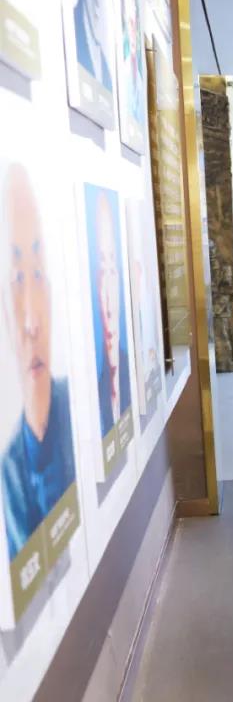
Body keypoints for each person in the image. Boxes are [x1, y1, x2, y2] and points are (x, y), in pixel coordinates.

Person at [1, 164, 78, 560]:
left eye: (37, 273)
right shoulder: (9, 474)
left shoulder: (80, 407)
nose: (32, 321)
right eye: (16, 280)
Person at [89, 187, 131, 439]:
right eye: (100, 270)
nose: (106, 297)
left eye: (112, 267)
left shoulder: (130, 370)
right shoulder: (92, 388)